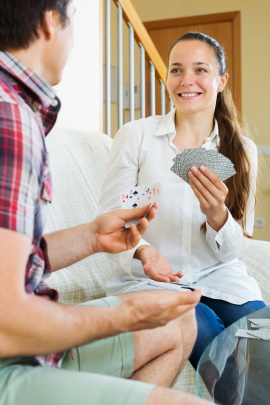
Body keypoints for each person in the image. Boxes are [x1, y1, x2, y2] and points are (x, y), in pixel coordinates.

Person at [0, 3, 211, 405]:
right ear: (50, 22)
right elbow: (6, 320)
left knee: (181, 321)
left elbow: (11, 261)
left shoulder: (18, 108)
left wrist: (92, 236)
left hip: (22, 342)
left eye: (201, 69)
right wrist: (127, 317)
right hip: (13, 356)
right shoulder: (11, 117)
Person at [98, 31, 266, 368]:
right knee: (202, 326)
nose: (186, 80)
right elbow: (111, 219)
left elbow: (234, 249)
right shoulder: (137, 136)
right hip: (152, 281)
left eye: (200, 70)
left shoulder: (242, 149)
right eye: (176, 70)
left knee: (259, 333)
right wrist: (144, 251)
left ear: (221, 80)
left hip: (221, 278)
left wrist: (217, 213)